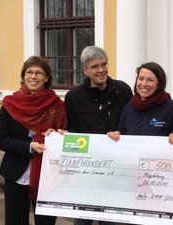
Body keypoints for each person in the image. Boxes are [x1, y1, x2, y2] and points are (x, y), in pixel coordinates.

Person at [107, 62, 173, 225]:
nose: (144, 84)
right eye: (141, 79)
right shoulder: (128, 108)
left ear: (159, 84)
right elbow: (121, 134)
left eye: (150, 80)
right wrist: (116, 135)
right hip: (134, 182)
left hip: (164, 183)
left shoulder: (171, 107)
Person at [64, 45, 133, 225]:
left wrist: (121, 133)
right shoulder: (73, 97)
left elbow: (130, 122)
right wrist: (64, 137)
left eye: (104, 64)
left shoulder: (123, 91)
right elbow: (72, 130)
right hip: (86, 172)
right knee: (82, 220)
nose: (101, 70)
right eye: (95, 66)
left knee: (111, 221)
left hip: (116, 170)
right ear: (85, 70)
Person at [0, 56, 67, 225]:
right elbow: (1, 140)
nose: (33, 77)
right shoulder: (10, 103)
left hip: (47, 176)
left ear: (47, 77)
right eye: (29, 72)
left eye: (39, 73)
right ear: (23, 75)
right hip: (16, 175)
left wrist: (59, 135)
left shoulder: (57, 105)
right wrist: (29, 146)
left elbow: (64, 138)